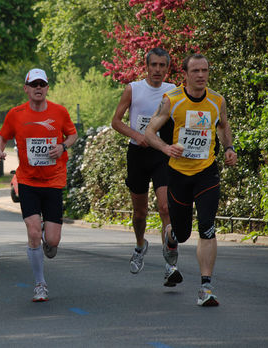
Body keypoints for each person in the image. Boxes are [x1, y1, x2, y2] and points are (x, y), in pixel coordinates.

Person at [145, 53, 238, 306]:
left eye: (204, 70)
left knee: (207, 227)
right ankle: (171, 237)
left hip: (206, 171)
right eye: (195, 71)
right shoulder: (172, 100)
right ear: (185, 74)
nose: (201, 75)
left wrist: (229, 148)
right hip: (178, 174)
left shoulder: (217, 100)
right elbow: (149, 132)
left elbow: (223, 126)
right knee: (183, 233)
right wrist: (166, 149)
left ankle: (206, 288)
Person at [0, 68, 78, 302]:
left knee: (52, 241)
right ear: (27, 88)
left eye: (43, 84)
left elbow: (72, 135)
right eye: (34, 84)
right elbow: (2, 136)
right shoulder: (15, 114)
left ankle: (46, 237)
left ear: (47, 87)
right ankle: (40, 283)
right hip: (27, 180)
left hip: (53, 181)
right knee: (32, 233)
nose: (39, 88)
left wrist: (62, 147)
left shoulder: (59, 112)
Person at [111, 48, 177, 276]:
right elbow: (116, 121)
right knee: (140, 213)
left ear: (167, 68)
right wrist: (137, 135)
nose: (158, 70)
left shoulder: (174, 92)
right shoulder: (133, 89)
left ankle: (170, 263)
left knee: (165, 207)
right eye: (154, 65)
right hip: (138, 154)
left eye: (162, 66)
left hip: (161, 154)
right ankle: (140, 245)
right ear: (146, 67)